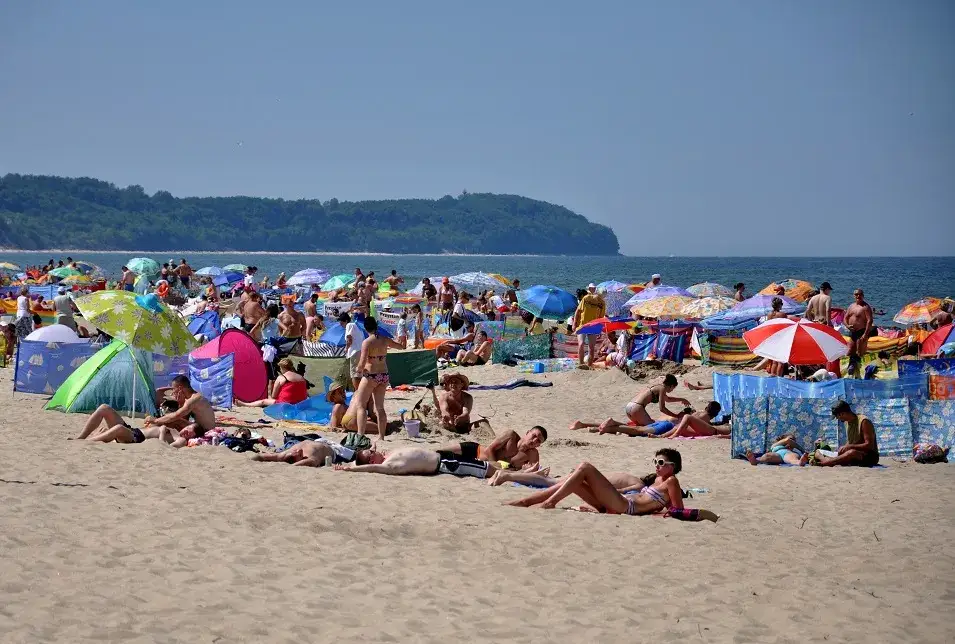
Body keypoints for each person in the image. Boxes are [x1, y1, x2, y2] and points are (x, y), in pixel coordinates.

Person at [508, 449, 718, 522]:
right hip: (618, 503)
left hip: (625, 507)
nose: (657, 466)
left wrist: (705, 514)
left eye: (661, 463)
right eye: (655, 462)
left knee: (585, 467)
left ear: (673, 467)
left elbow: (676, 509)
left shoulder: (672, 481)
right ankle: (527, 501)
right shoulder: (657, 481)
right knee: (578, 479)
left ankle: (548, 502)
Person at [570, 374, 690, 432]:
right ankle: (609, 424)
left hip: (630, 406)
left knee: (630, 427)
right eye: (672, 388)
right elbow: (662, 409)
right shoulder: (662, 388)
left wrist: (681, 399)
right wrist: (676, 416)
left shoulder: (658, 387)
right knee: (643, 429)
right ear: (671, 385)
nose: (671, 391)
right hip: (637, 408)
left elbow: (667, 399)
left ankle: (584, 424)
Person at [351, 317, 407, 439]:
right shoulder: (385, 339)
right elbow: (401, 347)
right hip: (384, 374)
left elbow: (362, 362)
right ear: (376, 326)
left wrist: (358, 370)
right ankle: (381, 436)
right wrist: (403, 337)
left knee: (361, 405)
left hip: (371, 375)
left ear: (365, 328)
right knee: (380, 407)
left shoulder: (367, 342)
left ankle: (360, 435)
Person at [813, 401, 879, 467]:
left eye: (837, 416)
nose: (837, 419)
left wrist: (849, 446)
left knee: (851, 453)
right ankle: (827, 460)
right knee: (818, 452)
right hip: (853, 455)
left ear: (842, 414)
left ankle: (828, 462)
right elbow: (851, 441)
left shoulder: (864, 421)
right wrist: (844, 448)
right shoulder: (847, 423)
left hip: (869, 457)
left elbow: (869, 445)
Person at [236, 358, 308, 407]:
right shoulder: (301, 377)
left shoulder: (282, 377)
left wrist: (269, 388)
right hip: (301, 404)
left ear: (282, 367)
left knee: (264, 401)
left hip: (287, 404)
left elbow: (274, 396)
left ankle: (245, 404)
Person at [573, 283, 606, 369]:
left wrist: (599, 328)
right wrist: (574, 323)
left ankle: (589, 365)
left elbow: (601, 318)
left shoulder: (602, 303)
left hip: (594, 326)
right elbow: (578, 311)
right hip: (583, 324)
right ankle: (581, 364)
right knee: (581, 344)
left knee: (591, 347)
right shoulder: (586, 298)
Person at [655, 402, 729, 438]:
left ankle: (662, 436)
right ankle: (671, 435)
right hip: (680, 425)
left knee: (679, 426)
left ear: (707, 407)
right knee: (682, 424)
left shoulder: (700, 412)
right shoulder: (706, 417)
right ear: (715, 413)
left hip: (674, 423)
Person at [845, 289, 874, 377]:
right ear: (854, 296)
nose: (858, 296)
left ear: (863, 295)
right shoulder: (851, 306)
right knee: (849, 351)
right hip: (853, 332)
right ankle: (850, 368)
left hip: (861, 331)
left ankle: (859, 373)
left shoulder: (865, 307)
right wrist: (847, 325)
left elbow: (869, 321)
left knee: (859, 352)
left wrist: (865, 334)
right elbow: (845, 317)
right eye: (856, 294)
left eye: (860, 294)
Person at [341, 312, 363, 391]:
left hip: (355, 351)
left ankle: (357, 392)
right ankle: (360, 391)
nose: (340, 324)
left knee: (354, 374)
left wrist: (346, 348)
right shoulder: (355, 326)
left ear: (346, 321)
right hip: (360, 350)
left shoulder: (349, 325)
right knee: (359, 373)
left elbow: (349, 339)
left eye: (341, 322)